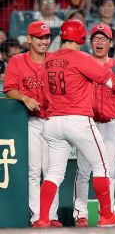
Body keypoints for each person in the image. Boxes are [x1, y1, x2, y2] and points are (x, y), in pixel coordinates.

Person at [33, 19, 115, 228]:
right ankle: (106, 216)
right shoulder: (80, 57)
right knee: (102, 167)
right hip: (77, 119)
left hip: (52, 122)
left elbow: (42, 91)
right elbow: (107, 78)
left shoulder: (48, 60)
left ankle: (42, 219)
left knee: (53, 173)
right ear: (81, 37)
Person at [73, 22, 115, 227]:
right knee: (83, 171)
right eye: (95, 39)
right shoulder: (83, 62)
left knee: (109, 171)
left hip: (109, 123)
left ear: (110, 43)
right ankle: (80, 214)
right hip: (87, 122)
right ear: (90, 43)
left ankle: (108, 214)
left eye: (103, 39)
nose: (99, 42)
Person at [3, 20, 61, 227]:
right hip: (32, 122)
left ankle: (52, 216)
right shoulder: (18, 61)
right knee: (34, 171)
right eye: (40, 37)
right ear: (29, 39)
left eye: (47, 37)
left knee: (52, 170)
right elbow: (9, 88)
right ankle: (38, 216)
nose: (44, 41)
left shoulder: (55, 60)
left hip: (54, 121)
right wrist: (25, 97)